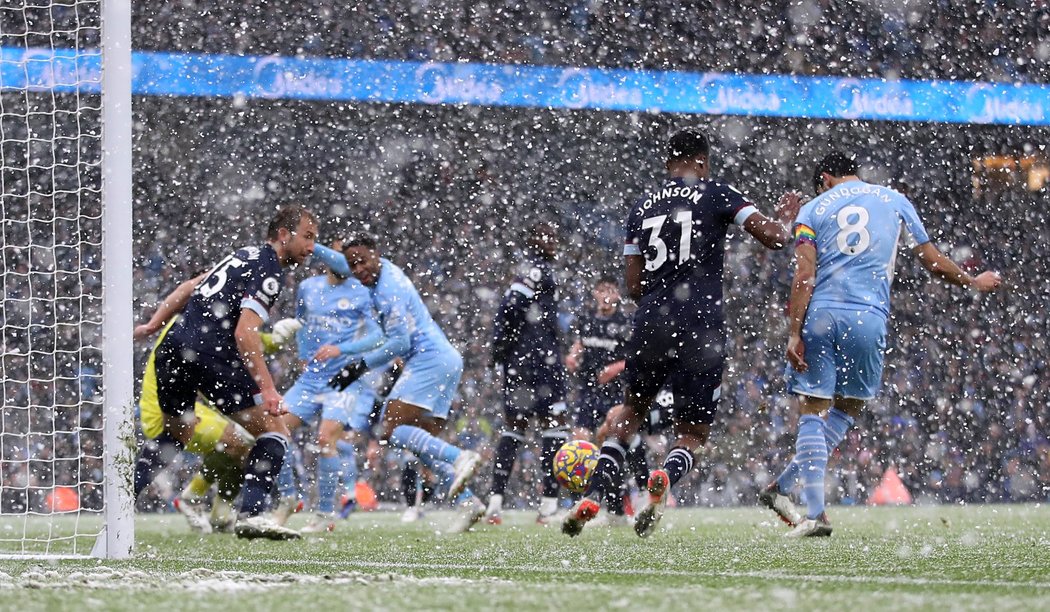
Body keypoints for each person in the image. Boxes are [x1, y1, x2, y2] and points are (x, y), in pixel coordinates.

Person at [562, 127, 801, 537]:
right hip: (700, 325)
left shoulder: (642, 207)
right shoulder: (718, 193)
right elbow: (775, 239)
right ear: (703, 162)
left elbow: (633, 285)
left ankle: (596, 493)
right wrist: (786, 218)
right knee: (691, 433)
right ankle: (664, 478)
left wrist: (660, 296)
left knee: (630, 413)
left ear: (667, 163)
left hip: (651, 319)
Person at [763, 152, 1002, 537]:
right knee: (848, 407)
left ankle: (810, 509)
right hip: (868, 317)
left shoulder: (812, 208)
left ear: (824, 178)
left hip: (822, 313)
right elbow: (932, 260)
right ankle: (788, 492)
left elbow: (804, 274)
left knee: (813, 408)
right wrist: (973, 282)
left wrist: (794, 332)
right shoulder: (893, 198)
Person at [150, 205, 317, 540]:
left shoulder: (242, 254)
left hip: (179, 350)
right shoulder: (270, 271)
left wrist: (153, 323)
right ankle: (250, 512)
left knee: (191, 439)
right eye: (308, 237)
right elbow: (244, 333)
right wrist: (268, 390)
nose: (312, 247)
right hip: (214, 359)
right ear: (284, 234)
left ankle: (131, 491)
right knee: (273, 432)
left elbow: (190, 285)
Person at [329, 232, 484, 533]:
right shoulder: (380, 270)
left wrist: (359, 366)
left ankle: (460, 457)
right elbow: (342, 261)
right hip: (444, 359)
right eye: (353, 264)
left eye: (362, 261)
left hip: (430, 360)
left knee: (393, 429)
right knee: (422, 444)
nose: (358, 269)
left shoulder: (388, 290)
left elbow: (399, 343)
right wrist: (311, 247)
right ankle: (468, 501)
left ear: (375, 253)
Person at [133, 272, 303, 533]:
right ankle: (190, 499)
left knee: (243, 444)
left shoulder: (196, 317)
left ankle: (220, 515)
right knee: (242, 442)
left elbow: (237, 343)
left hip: (182, 404)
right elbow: (243, 343)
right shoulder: (198, 321)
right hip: (163, 408)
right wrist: (276, 340)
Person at [272, 237, 386, 533]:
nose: (347, 262)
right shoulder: (308, 288)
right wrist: (302, 355)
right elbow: (300, 323)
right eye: (341, 255)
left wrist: (343, 350)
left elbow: (377, 336)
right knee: (274, 430)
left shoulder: (362, 291)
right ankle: (287, 498)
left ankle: (324, 514)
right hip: (311, 378)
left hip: (344, 379)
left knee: (326, 439)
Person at [485, 221, 570, 525]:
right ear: (533, 240)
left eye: (554, 236)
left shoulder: (536, 270)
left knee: (515, 430)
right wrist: (502, 348)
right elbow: (510, 308)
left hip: (529, 362)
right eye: (546, 236)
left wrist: (502, 351)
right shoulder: (536, 270)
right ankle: (547, 505)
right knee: (551, 428)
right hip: (538, 364)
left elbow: (511, 311)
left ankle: (496, 503)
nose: (553, 242)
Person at [565, 276, 643, 522]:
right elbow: (579, 343)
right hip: (589, 392)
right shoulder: (586, 319)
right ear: (595, 293)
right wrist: (572, 355)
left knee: (611, 443)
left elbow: (635, 357)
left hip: (615, 395)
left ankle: (621, 501)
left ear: (618, 295)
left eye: (610, 290)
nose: (606, 295)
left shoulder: (625, 323)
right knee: (579, 443)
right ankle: (579, 501)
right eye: (601, 290)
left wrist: (615, 368)